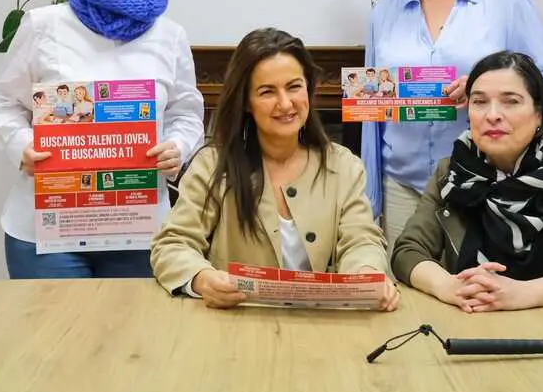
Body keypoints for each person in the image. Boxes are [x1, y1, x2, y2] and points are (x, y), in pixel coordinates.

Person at [0, 0, 205, 279]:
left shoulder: (170, 36)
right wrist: (21, 146)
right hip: (47, 232)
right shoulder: (44, 25)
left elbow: (186, 111)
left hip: (138, 231)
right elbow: (2, 104)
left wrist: (178, 146)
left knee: (132, 339)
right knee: (56, 338)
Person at [362, 0, 543, 248]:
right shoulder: (384, 11)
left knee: (479, 294)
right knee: (407, 296)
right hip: (401, 188)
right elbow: (371, 113)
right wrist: (370, 198)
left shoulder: (505, 0)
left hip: (489, 182)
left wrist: (488, 91)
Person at [151, 28, 399, 311]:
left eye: (294, 87)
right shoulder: (212, 166)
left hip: (321, 327)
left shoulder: (343, 166)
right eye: (267, 91)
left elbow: (361, 240)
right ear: (246, 102)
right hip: (235, 328)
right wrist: (202, 278)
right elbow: (173, 244)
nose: (285, 103)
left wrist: (366, 274)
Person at [391, 51, 543, 312]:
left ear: (539, 113)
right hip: (466, 323)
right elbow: (408, 251)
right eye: (479, 102)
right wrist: (450, 287)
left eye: (511, 102)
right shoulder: (452, 172)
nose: (493, 115)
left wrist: (525, 293)